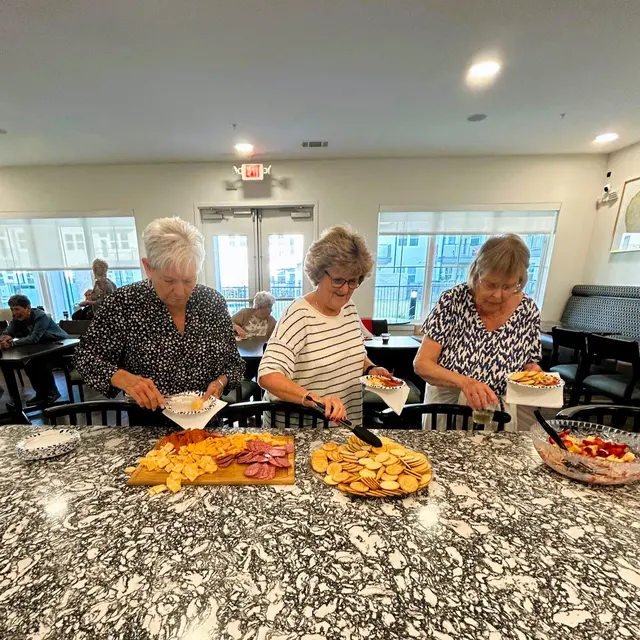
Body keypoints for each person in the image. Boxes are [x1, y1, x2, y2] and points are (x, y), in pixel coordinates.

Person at [74, 216, 245, 423]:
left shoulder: (212, 302)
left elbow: (234, 364)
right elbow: (86, 358)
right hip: (149, 426)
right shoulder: (124, 303)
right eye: (169, 280)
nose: (181, 292)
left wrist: (219, 382)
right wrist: (125, 379)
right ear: (148, 267)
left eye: (189, 280)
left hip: (205, 424)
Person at [258, 226, 392, 427]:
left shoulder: (349, 308)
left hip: (345, 426)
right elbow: (268, 376)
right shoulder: (299, 314)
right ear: (319, 274)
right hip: (303, 431)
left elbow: (352, 350)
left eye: (353, 281)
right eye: (338, 280)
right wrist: (315, 400)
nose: (346, 289)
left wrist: (371, 368)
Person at [413, 234, 542, 429]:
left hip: (500, 409)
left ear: (521, 280)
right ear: (476, 274)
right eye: (490, 284)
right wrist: (464, 382)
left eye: (508, 287)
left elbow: (529, 365)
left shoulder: (528, 310)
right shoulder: (452, 301)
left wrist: (533, 373)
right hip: (448, 406)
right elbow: (422, 364)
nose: (498, 295)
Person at [0, 294, 69, 405]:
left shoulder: (41, 316)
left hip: (60, 347)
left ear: (28, 308)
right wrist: (4, 339)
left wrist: (12, 343)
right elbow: (7, 332)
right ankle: (41, 395)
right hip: (41, 347)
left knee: (39, 363)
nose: (14, 313)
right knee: (29, 364)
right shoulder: (16, 319)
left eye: (17, 309)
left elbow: (34, 337)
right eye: (12, 309)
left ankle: (52, 393)